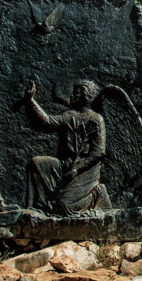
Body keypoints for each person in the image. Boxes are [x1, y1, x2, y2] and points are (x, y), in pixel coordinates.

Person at [22, 79, 111, 215]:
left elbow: (99, 152)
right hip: (65, 164)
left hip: (86, 170)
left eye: (76, 93)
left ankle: (97, 194)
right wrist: (30, 101)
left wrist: (77, 169)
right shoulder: (69, 116)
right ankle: (40, 205)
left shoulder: (96, 119)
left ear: (85, 96)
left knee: (65, 206)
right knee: (36, 164)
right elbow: (47, 122)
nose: (71, 96)